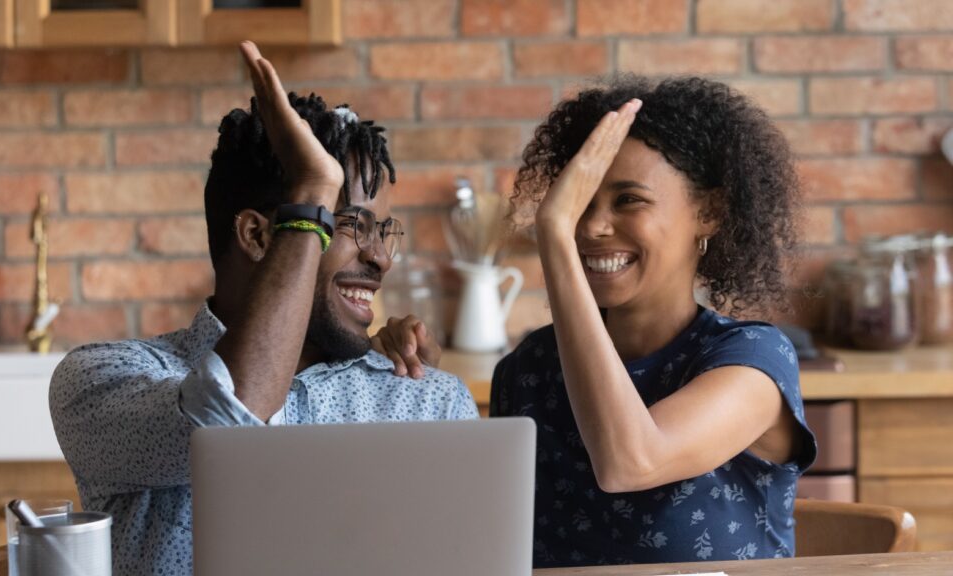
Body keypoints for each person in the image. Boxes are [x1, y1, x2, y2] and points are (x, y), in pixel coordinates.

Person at [49, 42, 478, 576]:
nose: (380, 258)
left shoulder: (425, 401)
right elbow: (231, 418)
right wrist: (313, 191)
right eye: (349, 225)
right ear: (258, 235)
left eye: (384, 231)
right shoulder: (104, 381)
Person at [376, 75, 817, 566]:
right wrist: (419, 386)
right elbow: (476, 539)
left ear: (709, 211)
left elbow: (630, 462)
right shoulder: (530, 369)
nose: (591, 227)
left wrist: (554, 232)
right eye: (580, 203)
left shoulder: (752, 363)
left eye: (629, 199)